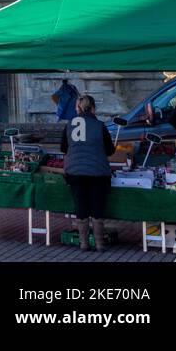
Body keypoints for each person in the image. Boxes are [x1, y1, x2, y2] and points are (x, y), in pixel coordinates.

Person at [60, 94, 115, 252]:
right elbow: (110, 150)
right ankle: (99, 244)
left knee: (81, 206)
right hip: (97, 171)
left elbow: (64, 148)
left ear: (78, 108)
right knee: (97, 207)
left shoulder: (70, 124)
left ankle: (83, 243)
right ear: (93, 108)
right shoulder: (99, 125)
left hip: (75, 171)